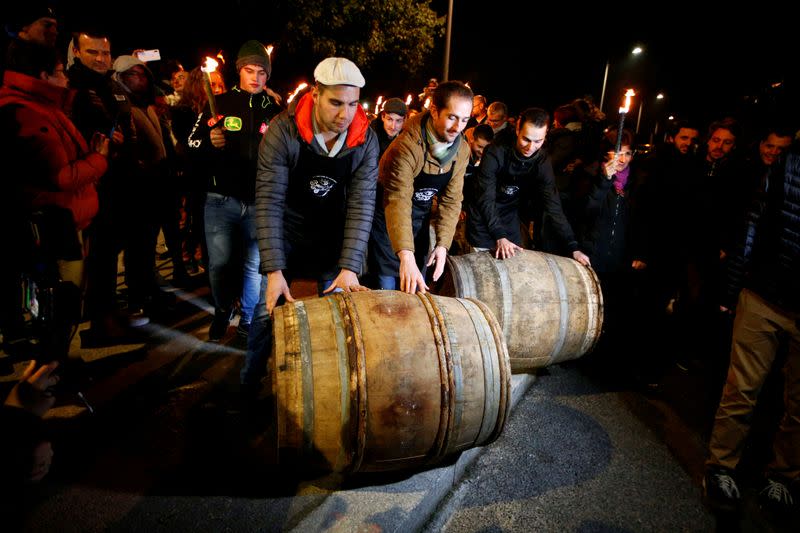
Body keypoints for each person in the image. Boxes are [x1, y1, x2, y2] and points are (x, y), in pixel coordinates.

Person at [242, 57, 377, 393]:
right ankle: (250, 381)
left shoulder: (365, 139)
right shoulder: (282, 131)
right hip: (287, 232)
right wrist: (273, 270)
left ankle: (325, 391)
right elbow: (270, 201)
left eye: (352, 104)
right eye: (335, 102)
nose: (344, 115)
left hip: (332, 235)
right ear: (316, 94)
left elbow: (362, 204)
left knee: (335, 316)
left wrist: (350, 265)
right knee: (265, 312)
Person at [704, 147, 800, 514]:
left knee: (799, 403)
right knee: (742, 388)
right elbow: (754, 222)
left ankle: (783, 476)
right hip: (764, 291)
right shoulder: (789, 161)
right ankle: (720, 468)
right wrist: (732, 288)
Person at [188, 40, 280, 341]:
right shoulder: (220, 104)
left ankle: (247, 323)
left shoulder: (275, 110)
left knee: (254, 266)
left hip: (259, 203)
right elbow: (189, 145)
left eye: (261, 73)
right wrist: (209, 141)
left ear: (268, 76)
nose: (255, 78)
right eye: (249, 71)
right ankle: (223, 309)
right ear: (239, 72)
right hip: (221, 201)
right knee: (219, 265)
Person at [368, 80, 473, 293]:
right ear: (434, 111)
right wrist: (405, 255)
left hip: (419, 223)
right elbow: (397, 199)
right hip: (388, 222)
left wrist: (443, 245)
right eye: (452, 117)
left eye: (464, 120)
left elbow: (452, 200)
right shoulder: (405, 147)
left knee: (417, 292)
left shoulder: (462, 150)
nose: (457, 128)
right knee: (389, 293)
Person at [466, 107, 591, 265]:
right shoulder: (496, 151)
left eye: (538, 141)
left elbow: (553, 205)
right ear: (518, 129)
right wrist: (499, 235)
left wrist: (573, 246)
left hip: (509, 216)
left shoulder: (542, 161)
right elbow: (485, 197)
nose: (530, 147)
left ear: (545, 135)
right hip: (483, 217)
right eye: (526, 139)